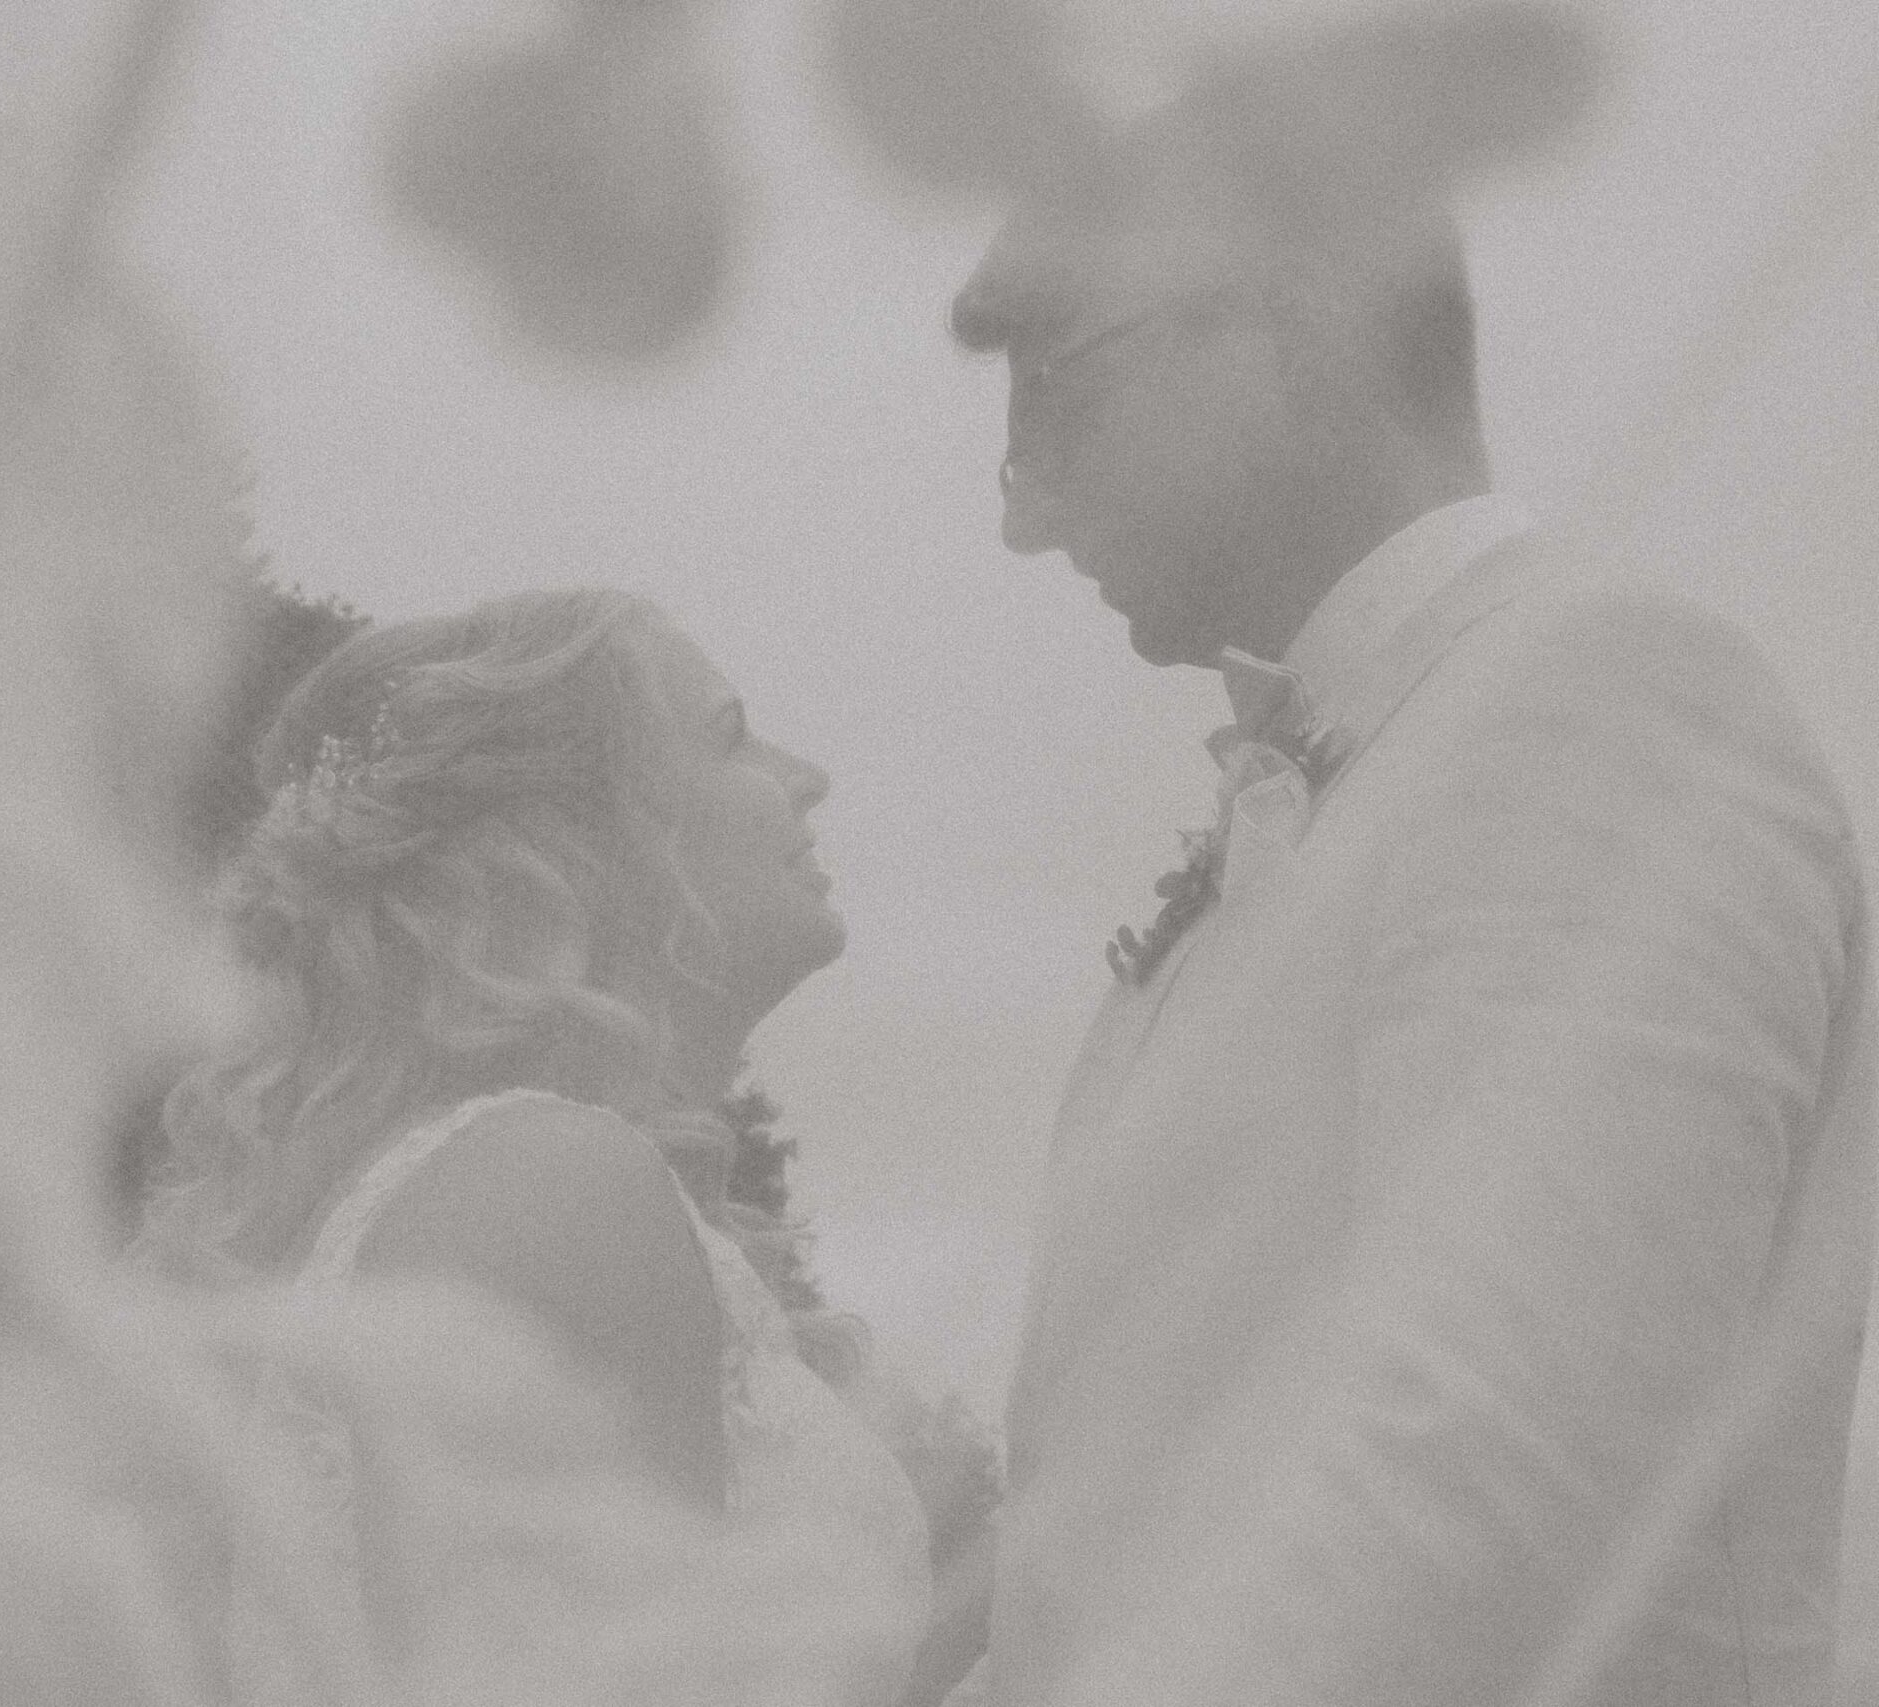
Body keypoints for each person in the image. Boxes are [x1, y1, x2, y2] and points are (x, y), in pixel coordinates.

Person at [945, 117, 1874, 1707]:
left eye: (1059, 387)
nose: (1022, 509)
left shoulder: (1600, 702)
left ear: (1295, 320)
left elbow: (1495, 1474)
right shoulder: (1395, 745)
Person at [137, 587, 949, 1706]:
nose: (808, 778)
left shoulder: (516, 1185)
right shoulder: (546, 1183)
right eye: (729, 738)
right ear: (576, 841)